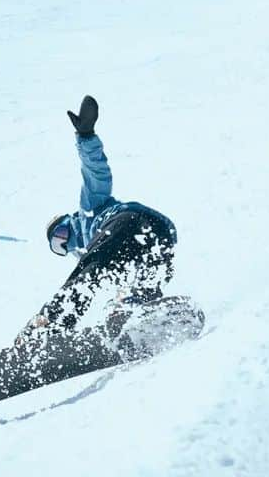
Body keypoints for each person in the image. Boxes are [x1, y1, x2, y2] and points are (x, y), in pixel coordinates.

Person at [17, 96, 176, 344]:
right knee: (143, 281)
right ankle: (131, 314)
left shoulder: (89, 208)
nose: (65, 242)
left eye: (60, 234)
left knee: (87, 276)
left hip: (127, 222)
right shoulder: (94, 247)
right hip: (163, 234)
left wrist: (86, 136)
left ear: (68, 221)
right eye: (58, 246)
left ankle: (47, 326)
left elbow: (96, 170)